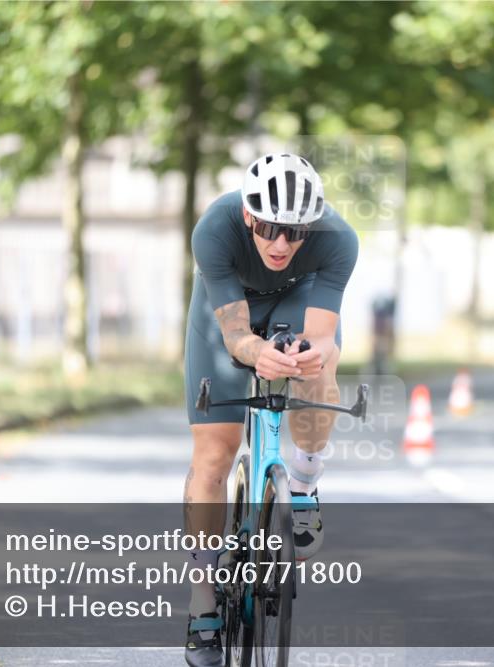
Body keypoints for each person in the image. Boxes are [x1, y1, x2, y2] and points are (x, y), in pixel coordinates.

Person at [181, 152, 358, 666]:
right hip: (226, 310)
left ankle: (302, 482)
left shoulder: (338, 239)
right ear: (247, 216)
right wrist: (259, 353)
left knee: (318, 370)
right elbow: (235, 335)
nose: (281, 244)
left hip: (297, 301)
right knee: (213, 456)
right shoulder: (214, 230)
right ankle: (203, 603)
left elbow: (323, 336)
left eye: (295, 233)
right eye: (269, 229)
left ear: (313, 226)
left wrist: (305, 357)